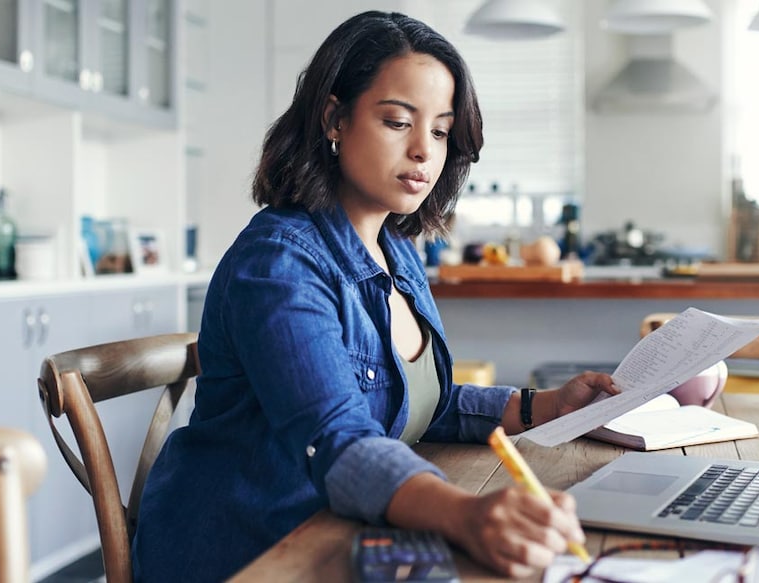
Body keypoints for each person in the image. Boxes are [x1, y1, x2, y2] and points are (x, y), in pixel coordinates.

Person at [131, 10, 618, 581]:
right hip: (249, 553)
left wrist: (543, 407)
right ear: (335, 118)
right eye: (396, 122)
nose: (423, 151)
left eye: (439, 131)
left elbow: (408, 402)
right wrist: (465, 513)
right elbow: (339, 438)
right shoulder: (279, 264)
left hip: (339, 533)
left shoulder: (398, 251)